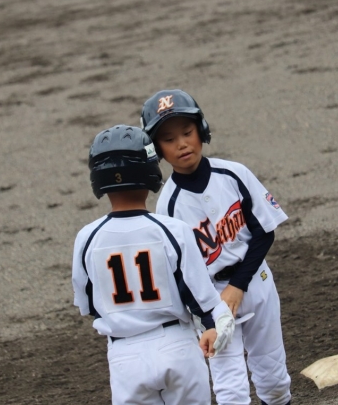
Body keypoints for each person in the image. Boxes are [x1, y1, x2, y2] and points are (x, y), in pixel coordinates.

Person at [141, 90, 292, 405]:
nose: (182, 144)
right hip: (211, 299)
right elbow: (181, 273)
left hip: (257, 281)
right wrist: (208, 313)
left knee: (274, 380)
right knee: (231, 392)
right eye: (169, 139)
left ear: (202, 130)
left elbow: (264, 233)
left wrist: (238, 285)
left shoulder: (233, 174)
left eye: (187, 132)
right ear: (157, 150)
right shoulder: (168, 206)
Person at [71, 124, 236, 405]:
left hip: (124, 356)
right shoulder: (172, 229)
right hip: (177, 346)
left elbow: (88, 304)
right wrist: (211, 324)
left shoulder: (87, 238)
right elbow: (199, 294)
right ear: (150, 171)